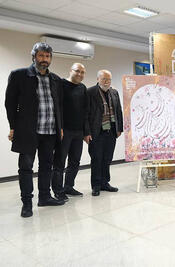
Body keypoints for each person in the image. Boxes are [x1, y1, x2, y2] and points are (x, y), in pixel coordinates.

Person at [5, 42, 65, 218]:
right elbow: (10, 104)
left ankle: (45, 197)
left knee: (46, 166)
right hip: (28, 131)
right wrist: (13, 127)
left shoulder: (55, 79)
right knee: (26, 168)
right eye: (41, 56)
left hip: (50, 131)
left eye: (47, 56)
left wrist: (59, 127)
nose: (44, 59)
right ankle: (27, 203)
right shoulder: (19, 75)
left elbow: (59, 105)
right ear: (33, 56)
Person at [51, 63, 89, 201]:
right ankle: (57, 190)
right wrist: (59, 127)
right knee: (59, 162)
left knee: (75, 162)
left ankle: (68, 186)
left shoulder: (82, 88)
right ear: (70, 70)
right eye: (77, 71)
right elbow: (57, 107)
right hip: (64, 131)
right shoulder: (61, 84)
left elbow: (85, 112)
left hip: (78, 132)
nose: (80, 74)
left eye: (83, 72)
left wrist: (86, 132)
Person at [87, 70, 123, 196]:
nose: (106, 82)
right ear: (98, 79)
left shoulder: (114, 92)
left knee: (107, 159)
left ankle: (105, 183)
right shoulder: (90, 92)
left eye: (109, 79)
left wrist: (119, 129)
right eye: (104, 79)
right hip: (96, 132)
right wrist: (86, 132)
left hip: (111, 132)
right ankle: (96, 185)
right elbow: (85, 114)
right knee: (96, 159)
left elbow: (118, 111)